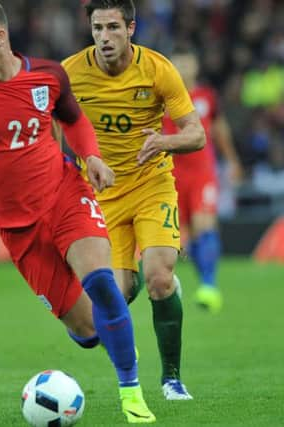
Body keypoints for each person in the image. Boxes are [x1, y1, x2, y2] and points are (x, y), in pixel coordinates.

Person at [0, 0, 155, 423]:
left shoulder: (47, 74)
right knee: (88, 329)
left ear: (0, 37)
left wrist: (91, 156)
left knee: (102, 282)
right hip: (16, 227)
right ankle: (96, 333)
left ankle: (132, 393)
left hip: (64, 194)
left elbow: (74, 121)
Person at [61, 0, 205, 400]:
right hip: (103, 195)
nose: (104, 37)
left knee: (162, 279)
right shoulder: (70, 73)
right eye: (97, 28)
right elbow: (54, 134)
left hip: (151, 184)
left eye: (112, 28)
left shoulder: (158, 69)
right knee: (113, 299)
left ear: (131, 28)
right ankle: (130, 280)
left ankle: (172, 379)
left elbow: (197, 134)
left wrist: (165, 141)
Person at [163, 50, 244, 314]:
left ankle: (209, 285)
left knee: (204, 224)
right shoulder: (162, 97)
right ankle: (203, 281)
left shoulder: (206, 96)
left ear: (196, 65)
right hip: (171, 176)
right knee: (186, 237)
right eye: (179, 62)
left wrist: (232, 160)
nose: (184, 67)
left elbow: (219, 129)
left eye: (188, 61)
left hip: (201, 173)